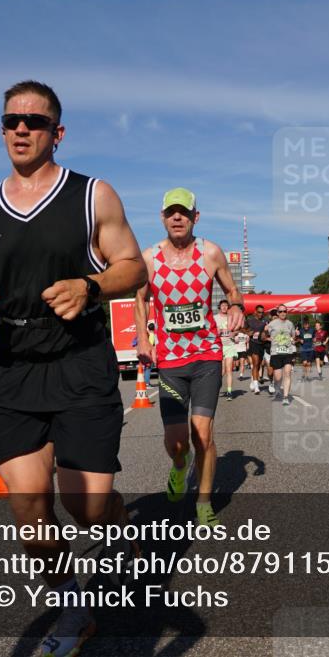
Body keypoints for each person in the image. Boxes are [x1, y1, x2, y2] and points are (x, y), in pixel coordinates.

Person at [0, 80, 147, 657]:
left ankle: (116, 514)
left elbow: (134, 267)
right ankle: (73, 611)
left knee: (86, 508)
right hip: (13, 368)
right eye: (11, 120)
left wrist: (91, 286)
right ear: (2, 129)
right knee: (30, 511)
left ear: (58, 133)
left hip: (81, 361)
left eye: (34, 121)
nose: (21, 129)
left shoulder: (92, 195)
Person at [135, 187, 243, 528]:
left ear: (196, 216)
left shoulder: (210, 252)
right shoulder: (149, 258)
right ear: (162, 217)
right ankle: (180, 467)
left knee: (203, 435)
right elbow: (140, 298)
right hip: (169, 360)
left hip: (206, 355)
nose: (177, 217)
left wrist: (237, 306)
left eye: (183, 212)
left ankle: (203, 501)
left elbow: (232, 290)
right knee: (177, 443)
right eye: (171, 212)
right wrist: (143, 338)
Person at [265, 304, 297, 405]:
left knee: (287, 373)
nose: (283, 313)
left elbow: (293, 336)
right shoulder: (272, 324)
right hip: (276, 352)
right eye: (281, 311)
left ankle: (286, 397)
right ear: (278, 313)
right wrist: (267, 337)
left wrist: (293, 339)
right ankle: (277, 386)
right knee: (278, 377)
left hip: (287, 352)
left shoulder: (290, 324)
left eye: (284, 311)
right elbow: (265, 334)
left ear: (286, 312)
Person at [213, 300, 237, 400]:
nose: (224, 307)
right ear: (219, 307)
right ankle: (215, 387)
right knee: (221, 370)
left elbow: (238, 329)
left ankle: (229, 392)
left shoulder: (231, 318)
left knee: (229, 370)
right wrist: (217, 331)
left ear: (228, 307)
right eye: (222, 305)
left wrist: (234, 333)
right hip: (219, 346)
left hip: (230, 345)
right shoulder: (215, 318)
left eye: (226, 305)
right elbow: (211, 331)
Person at [245, 305, 268, 394]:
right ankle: (256, 387)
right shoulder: (250, 320)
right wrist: (247, 332)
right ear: (255, 311)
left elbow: (268, 330)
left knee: (259, 365)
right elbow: (242, 328)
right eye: (259, 312)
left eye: (262, 312)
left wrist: (266, 332)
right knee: (255, 363)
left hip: (262, 344)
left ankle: (253, 380)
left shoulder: (265, 321)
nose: (261, 314)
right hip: (253, 343)